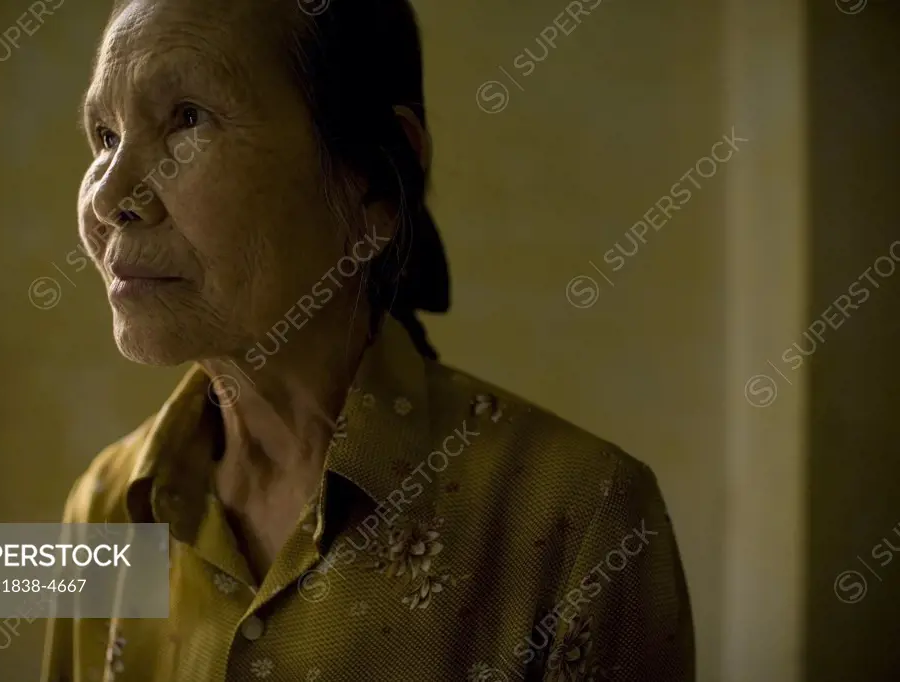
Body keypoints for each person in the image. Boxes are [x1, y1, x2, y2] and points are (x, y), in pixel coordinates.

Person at [41, 0, 695, 679]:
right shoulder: (107, 508)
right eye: (106, 136)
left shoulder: (577, 520)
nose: (108, 195)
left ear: (376, 186)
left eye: (187, 119)